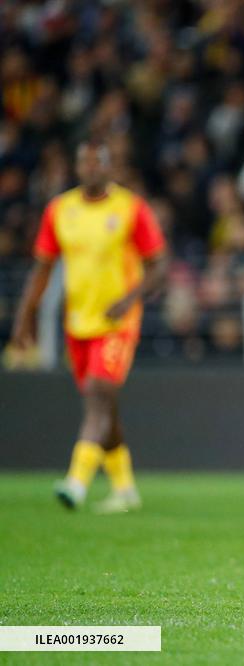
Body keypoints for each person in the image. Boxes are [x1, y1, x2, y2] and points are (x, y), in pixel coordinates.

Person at [12, 140, 167, 512]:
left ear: (110, 167)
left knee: (98, 392)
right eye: (84, 162)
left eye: (99, 162)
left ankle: (76, 481)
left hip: (117, 322)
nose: (91, 168)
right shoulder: (60, 210)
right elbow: (43, 267)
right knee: (103, 405)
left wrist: (130, 299)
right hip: (77, 322)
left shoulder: (130, 208)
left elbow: (158, 264)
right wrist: (25, 316)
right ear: (77, 166)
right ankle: (125, 489)